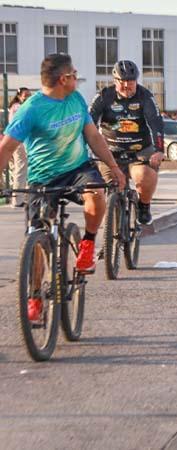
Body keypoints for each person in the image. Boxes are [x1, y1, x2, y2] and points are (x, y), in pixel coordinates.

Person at [0, 54, 126, 321]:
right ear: (63, 79)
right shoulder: (31, 109)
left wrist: (113, 168)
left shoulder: (76, 100)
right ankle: (35, 294)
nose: (76, 77)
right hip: (43, 178)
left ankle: (88, 245)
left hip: (77, 170)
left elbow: (93, 136)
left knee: (96, 194)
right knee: (37, 242)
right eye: (74, 73)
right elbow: (7, 147)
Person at [89, 60, 165, 225]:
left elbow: (156, 123)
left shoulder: (146, 97)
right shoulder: (104, 96)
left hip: (139, 151)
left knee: (144, 177)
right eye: (121, 81)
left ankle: (144, 206)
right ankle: (110, 240)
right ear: (114, 81)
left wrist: (159, 149)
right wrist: (86, 148)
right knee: (108, 190)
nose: (126, 85)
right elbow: (89, 122)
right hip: (110, 152)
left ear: (136, 80)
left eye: (130, 81)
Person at [8, 87, 31, 207]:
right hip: (20, 141)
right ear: (19, 96)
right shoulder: (18, 107)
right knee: (21, 168)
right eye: (25, 95)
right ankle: (17, 199)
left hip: (21, 140)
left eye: (29, 95)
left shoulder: (16, 107)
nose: (28, 97)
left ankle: (21, 197)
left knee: (23, 168)